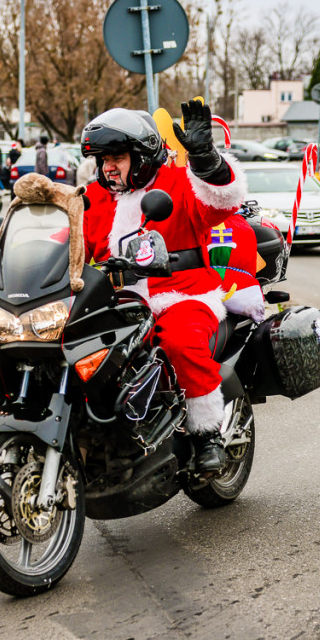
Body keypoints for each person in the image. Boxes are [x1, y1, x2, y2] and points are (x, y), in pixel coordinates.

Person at [80, 99, 247, 474]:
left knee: (179, 342)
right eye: (103, 160)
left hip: (183, 295)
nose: (108, 167)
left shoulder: (178, 182)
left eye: (117, 157)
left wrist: (206, 159)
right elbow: (71, 238)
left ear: (140, 156)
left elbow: (220, 204)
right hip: (117, 300)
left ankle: (205, 434)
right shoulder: (95, 196)